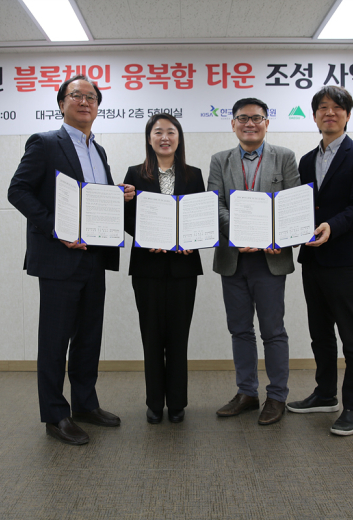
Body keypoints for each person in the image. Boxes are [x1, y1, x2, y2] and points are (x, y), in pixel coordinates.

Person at [7, 75, 135, 446]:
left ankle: (85, 404)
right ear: (61, 103)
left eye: (91, 97)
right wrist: (56, 229)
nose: (84, 102)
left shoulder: (99, 151)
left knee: (88, 337)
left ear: (98, 107)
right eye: (76, 95)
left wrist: (117, 194)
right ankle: (55, 414)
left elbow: (91, 200)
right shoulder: (46, 143)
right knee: (54, 340)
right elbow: (18, 190)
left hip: (95, 256)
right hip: (59, 257)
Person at [286, 85, 353, 436]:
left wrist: (331, 226)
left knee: (352, 336)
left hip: (344, 258)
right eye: (323, 108)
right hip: (312, 258)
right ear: (314, 116)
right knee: (320, 333)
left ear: (347, 115)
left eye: (337, 107)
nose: (330, 113)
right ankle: (325, 394)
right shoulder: (307, 160)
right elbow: (301, 207)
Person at [207, 98, 300, 426]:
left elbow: (293, 204)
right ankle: (247, 392)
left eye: (257, 118)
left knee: (273, 331)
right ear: (233, 123)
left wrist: (276, 237)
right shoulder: (220, 160)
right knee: (240, 330)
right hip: (233, 258)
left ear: (266, 123)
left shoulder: (284, 157)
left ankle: (277, 396)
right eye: (243, 118)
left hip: (270, 259)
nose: (250, 123)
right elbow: (215, 203)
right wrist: (240, 234)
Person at [123, 114, 205, 425]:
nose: (165, 137)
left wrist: (192, 240)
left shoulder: (194, 175)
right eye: (158, 132)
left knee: (178, 337)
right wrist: (147, 237)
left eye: (171, 132)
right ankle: (155, 403)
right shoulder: (135, 173)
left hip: (184, 267)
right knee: (152, 336)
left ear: (179, 138)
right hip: (148, 267)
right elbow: (126, 216)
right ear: (149, 139)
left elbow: (201, 216)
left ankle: (178, 402)